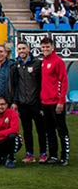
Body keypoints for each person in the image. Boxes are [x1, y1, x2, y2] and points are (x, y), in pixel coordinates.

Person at [10, 41, 47, 164]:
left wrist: (41, 101)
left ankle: (43, 153)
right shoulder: (16, 65)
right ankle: (29, 154)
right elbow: (16, 85)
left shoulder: (37, 63)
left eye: (23, 48)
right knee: (27, 130)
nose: (21, 51)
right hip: (23, 103)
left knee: (41, 130)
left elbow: (42, 83)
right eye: (19, 49)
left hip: (36, 103)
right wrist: (16, 101)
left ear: (28, 49)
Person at [39, 37, 69, 165]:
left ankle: (65, 156)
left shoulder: (58, 61)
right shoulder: (43, 62)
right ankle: (53, 155)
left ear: (52, 47)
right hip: (45, 102)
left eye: (47, 47)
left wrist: (61, 101)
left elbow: (64, 81)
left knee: (61, 130)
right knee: (49, 130)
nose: (45, 49)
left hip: (56, 102)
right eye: (43, 47)